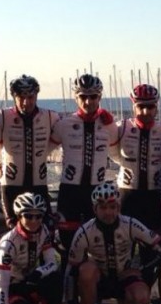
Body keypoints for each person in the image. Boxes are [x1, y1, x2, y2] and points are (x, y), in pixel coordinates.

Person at [64, 182, 161, 304]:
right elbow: (71, 269)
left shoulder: (130, 224)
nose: (108, 212)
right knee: (85, 270)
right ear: (94, 209)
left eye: (112, 207)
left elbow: (160, 248)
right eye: (103, 208)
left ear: (119, 207)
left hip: (123, 276)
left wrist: (140, 270)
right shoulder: (84, 232)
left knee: (142, 296)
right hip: (100, 279)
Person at [113, 83, 161, 304]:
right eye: (141, 107)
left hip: (152, 197)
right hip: (128, 195)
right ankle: (123, 300)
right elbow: (111, 152)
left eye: (150, 107)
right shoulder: (122, 128)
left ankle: (146, 299)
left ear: (156, 107)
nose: (146, 112)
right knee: (123, 252)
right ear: (133, 106)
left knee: (150, 251)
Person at [50, 74, 118, 265]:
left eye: (93, 96)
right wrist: (1, 161)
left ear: (100, 97)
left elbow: (118, 154)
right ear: (75, 98)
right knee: (67, 245)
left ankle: (93, 283)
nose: (88, 101)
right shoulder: (63, 124)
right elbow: (44, 151)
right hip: (70, 191)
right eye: (83, 97)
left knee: (97, 245)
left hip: (96, 191)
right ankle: (68, 283)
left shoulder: (109, 125)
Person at [0, 193, 65, 304]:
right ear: (19, 216)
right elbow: (2, 287)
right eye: (28, 216)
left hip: (27, 282)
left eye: (38, 216)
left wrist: (39, 272)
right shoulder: (8, 244)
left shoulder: (43, 231)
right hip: (9, 287)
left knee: (55, 279)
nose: (34, 221)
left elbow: (52, 263)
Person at [0, 75, 59, 228]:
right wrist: (0, 159)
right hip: (11, 185)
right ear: (13, 97)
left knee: (45, 227)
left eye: (30, 97)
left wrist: (105, 118)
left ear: (36, 96)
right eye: (21, 97)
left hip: (39, 184)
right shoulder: (1, 117)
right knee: (13, 228)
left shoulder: (50, 116)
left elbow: (67, 131)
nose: (26, 102)